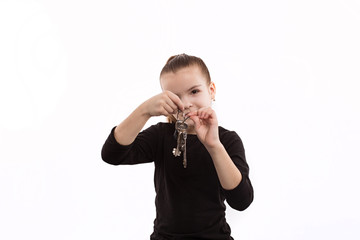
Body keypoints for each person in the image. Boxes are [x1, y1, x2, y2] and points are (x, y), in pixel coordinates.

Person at [101, 53, 254, 240]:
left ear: (211, 90)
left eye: (194, 91)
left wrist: (214, 146)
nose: (186, 104)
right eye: (175, 97)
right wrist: (145, 110)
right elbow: (112, 154)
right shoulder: (161, 135)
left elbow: (241, 200)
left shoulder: (228, 140)